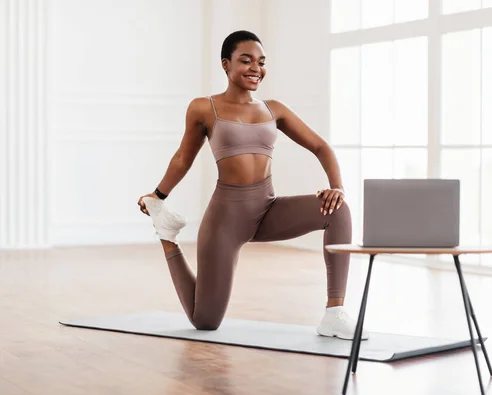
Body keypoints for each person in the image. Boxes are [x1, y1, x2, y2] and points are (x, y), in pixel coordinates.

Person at [137, 30, 368, 341]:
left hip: (267, 209)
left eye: (261, 62)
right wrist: (158, 196)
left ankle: (334, 314)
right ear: (226, 65)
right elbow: (183, 158)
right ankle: (167, 235)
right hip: (226, 220)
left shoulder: (274, 109)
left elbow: (321, 146)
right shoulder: (204, 108)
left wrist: (337, 187)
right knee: (205, 321)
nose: (255, 68)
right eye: (246, 61)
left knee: (337, 211)